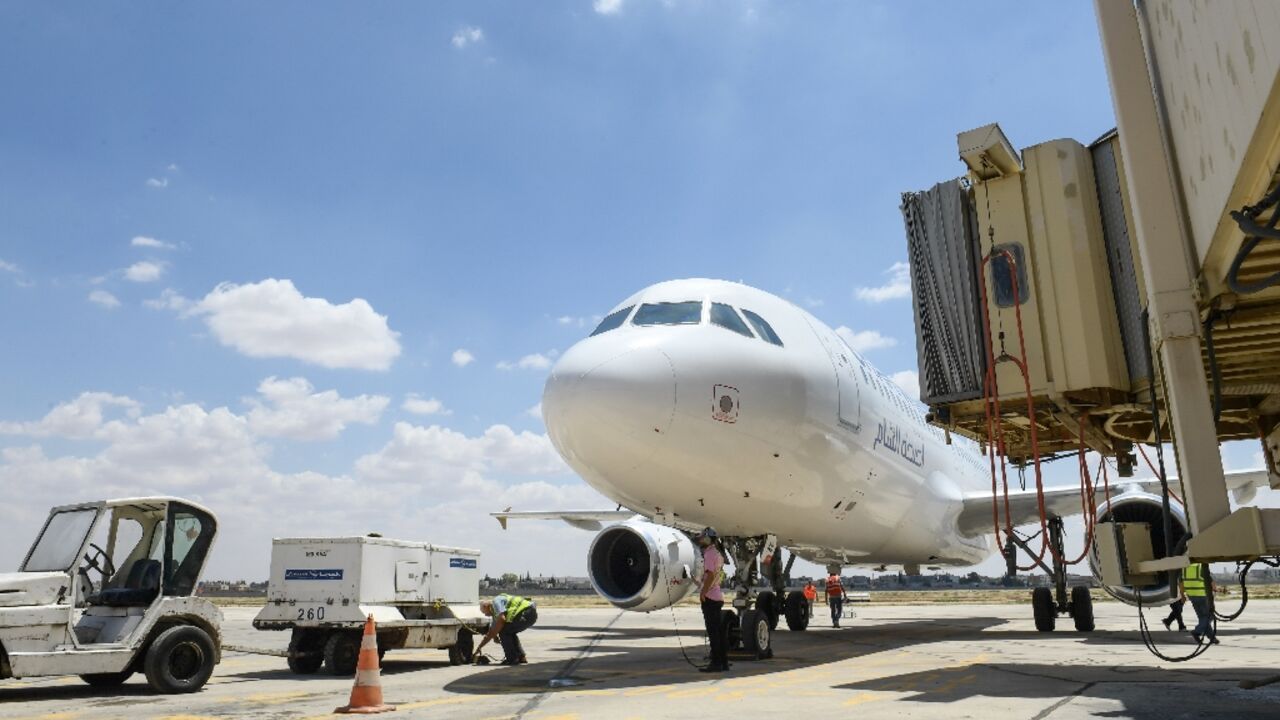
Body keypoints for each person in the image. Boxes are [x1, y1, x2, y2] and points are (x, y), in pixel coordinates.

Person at [696, 527, 729, 673]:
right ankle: (723, 662)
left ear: (708, 538)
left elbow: (709, 575)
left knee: (713, 633)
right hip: (717, 595)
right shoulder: (718, 554)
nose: (700, 539)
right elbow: (714, 576)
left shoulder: (709, 554)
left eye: (703, 537)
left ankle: (716, 663)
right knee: (719, 633)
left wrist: (703, 592)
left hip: (710, 597)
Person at [475, 593, 538, 665]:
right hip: (530, 614)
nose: (485, 615)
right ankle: (521, 657)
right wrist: (481, 646)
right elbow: (491, 632)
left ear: (486, 606)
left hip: (526, 613)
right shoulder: (495, 613)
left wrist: (495, 634)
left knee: (504, 632)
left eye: (484, 612)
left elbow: (502, 620)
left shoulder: (496, 602)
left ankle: (512, 659)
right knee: (509, 632)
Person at [1181, 559, 1219, 645]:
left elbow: (1181, 583)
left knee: (1202, 618)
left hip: (1192, 596)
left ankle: (1212, 638)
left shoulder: (1185, 568)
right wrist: (1215, 589)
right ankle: (1197, 631)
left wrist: (1182, 595)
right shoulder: (1201, 566)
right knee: (1210, 617)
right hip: (1202, 596)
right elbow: (1210, 580)